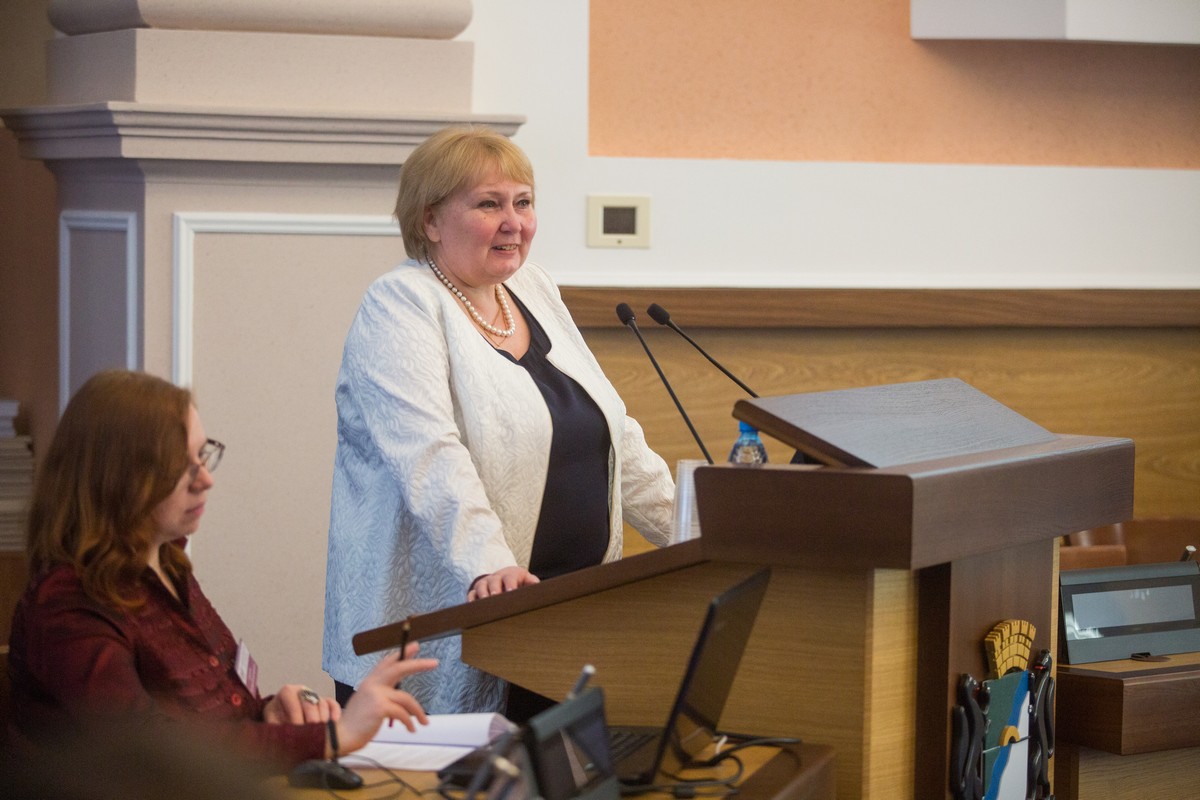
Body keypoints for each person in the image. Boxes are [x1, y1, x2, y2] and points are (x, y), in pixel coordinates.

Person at [322, 125, 675, 717]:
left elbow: (614, 434)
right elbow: (429, 456)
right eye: (489, 204)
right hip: (456, 626)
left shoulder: (531, 288)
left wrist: (696, 530)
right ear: (431, 220)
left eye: (524, 202)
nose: (514, 223)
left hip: (564, 623)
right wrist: (491, 567)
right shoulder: (400, 304)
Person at [6, 369, 436, 769]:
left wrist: (269, 712)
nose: (205, 480)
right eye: (179, 467)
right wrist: (331, 737)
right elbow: (149, 750)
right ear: (117, 477)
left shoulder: (168, 566)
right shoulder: (67, 606)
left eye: (202, 455)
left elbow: (207, 717)